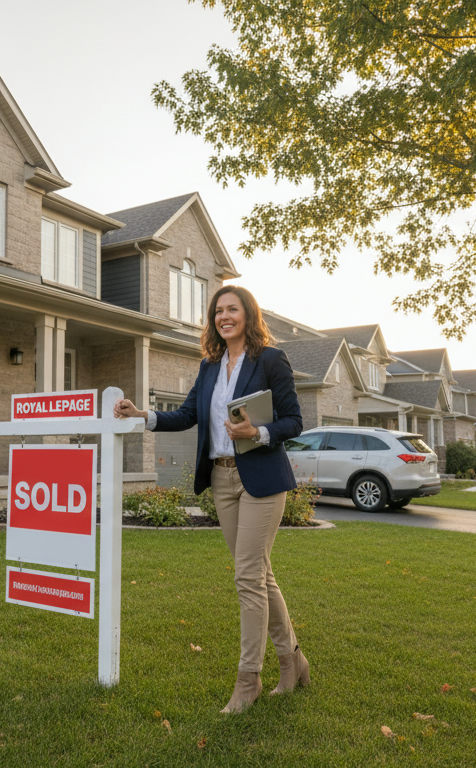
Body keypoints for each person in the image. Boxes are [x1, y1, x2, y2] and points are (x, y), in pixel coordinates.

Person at [113, 285, 308, 713]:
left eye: (232, 309)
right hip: (222, 480)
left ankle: (248, 680)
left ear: (248, 314)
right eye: (217, 310)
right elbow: (186, 415)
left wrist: (257, 432)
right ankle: (292, 660)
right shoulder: (208, 367)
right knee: (259, 574)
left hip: (261, 478)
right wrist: (142, 414)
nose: (224, 316)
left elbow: (294, 420)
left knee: (247, 577)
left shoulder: (270, 360)